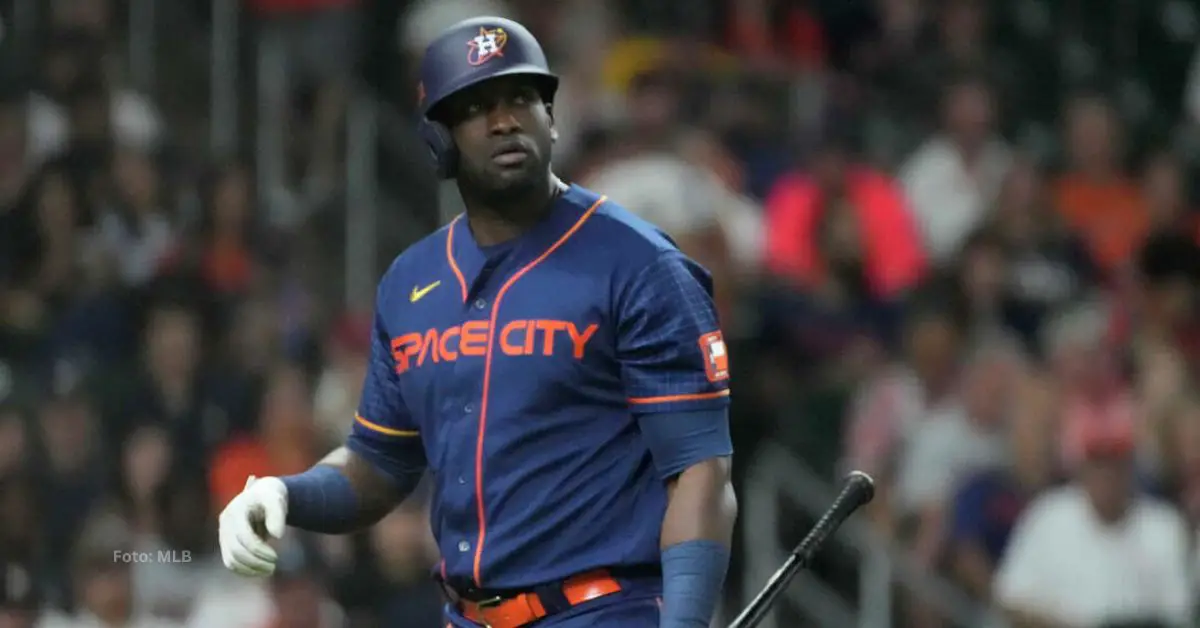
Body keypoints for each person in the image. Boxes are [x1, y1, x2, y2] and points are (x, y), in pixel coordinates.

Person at [217, 16, 737, 628]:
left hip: (603, 613)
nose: (504, 120)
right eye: (476, 106)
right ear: (439, 138)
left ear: (551, 115)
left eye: (521, 98)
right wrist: (282, 492)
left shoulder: (641, 265)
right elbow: (379, 465)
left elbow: (700, 472)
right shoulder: (411, 283)